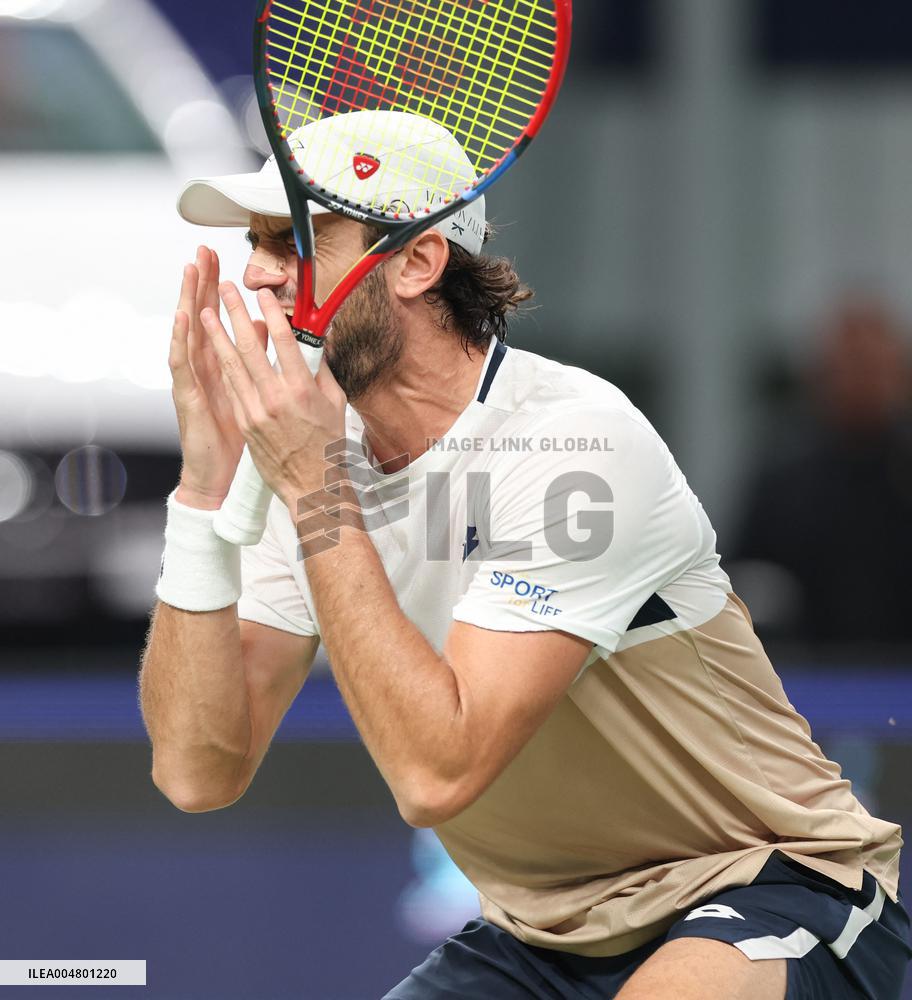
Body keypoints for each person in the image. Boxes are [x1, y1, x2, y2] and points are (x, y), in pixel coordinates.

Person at [139, 114, 911, 1000]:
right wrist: (204, 488)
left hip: (763, 884)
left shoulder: (570, 444)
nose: (259, 273)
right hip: (542, 934)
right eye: (255, 243)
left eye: (295, 240)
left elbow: (438, 773)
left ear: (417, 262)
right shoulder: (310, 456)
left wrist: (313, 489)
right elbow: (198, 770)